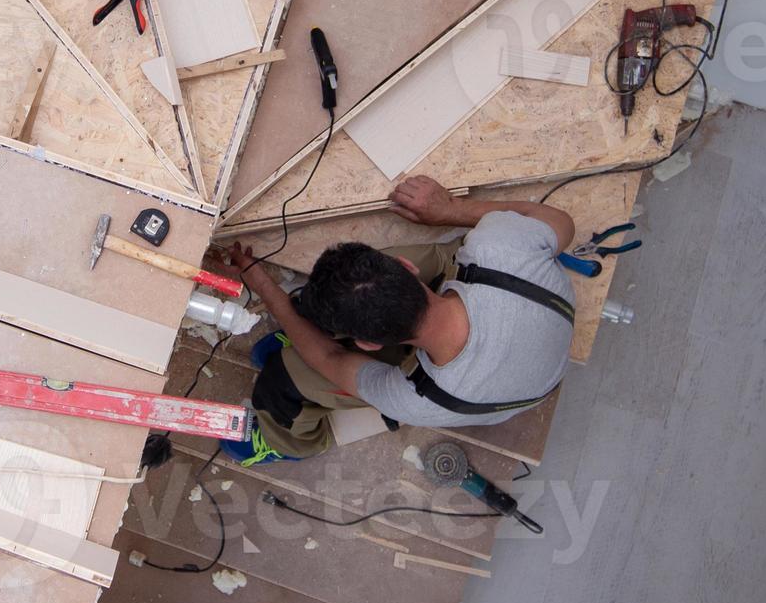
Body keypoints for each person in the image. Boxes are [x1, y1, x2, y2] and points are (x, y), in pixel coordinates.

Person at [214, 175, 579, 460]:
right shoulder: (500, 248)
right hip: (534, 351)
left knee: (281, 380)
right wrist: (448, 210)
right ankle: (317, 320)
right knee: (333, 306)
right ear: (405, 268)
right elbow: (561, 222)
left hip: (496, 391)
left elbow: (329, 358)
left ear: (369, 346)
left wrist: (263, 283)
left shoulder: (414, 398)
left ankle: (290, 444)